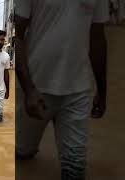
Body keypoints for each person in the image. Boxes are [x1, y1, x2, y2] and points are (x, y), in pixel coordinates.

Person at [15, 0, 108, 180]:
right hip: (36, 87)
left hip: (77, 89)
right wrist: (29, 90)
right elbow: (16, 34)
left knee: (75, 170)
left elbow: (97, 37)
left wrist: (102, 93)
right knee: (22, 154)